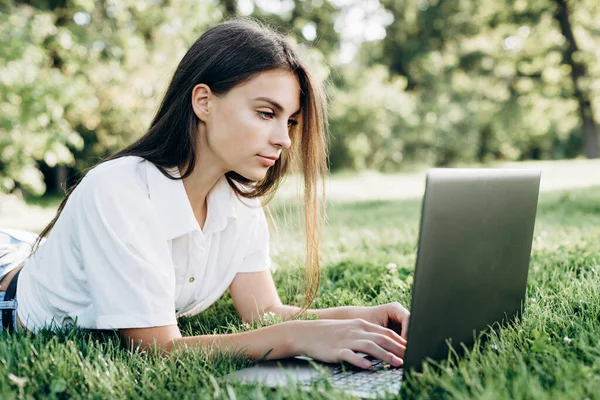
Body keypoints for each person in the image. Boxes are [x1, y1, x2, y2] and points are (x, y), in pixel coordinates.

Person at [0, 18, 410, 370]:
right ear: (203, 102)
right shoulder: (119, 190)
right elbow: (156, 349)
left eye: (291, 121)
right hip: (10, 293)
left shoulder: (239, 198)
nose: (284, 139)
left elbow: (263, 312)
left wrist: (362, 317)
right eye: (266, 113)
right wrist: (297, 337)